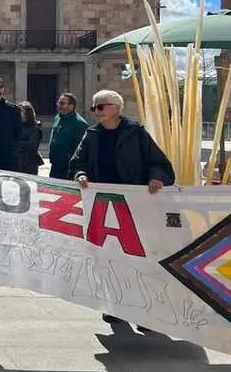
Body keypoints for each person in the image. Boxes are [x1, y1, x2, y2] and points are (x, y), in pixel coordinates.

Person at [70, 89, 175, 328]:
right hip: (104, 205)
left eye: (100, 106)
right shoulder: (91, 134)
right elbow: (77, 162)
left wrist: (156, 177)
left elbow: (159, 163)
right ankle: (117, 306)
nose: (95, 111)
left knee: (139, 258)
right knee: (109, 257)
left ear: (116, 109)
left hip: (135, 205)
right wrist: (80, 174)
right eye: (94, 107)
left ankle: (146, 312)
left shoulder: (136, 133)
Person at [48, 93, 88, 180]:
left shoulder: (80, 123)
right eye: (58, 103)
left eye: (62, 103)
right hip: (55, 164)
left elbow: (82, 148)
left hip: (68, 167)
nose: (59, 105)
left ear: (71, 106)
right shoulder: (58, 118)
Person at [17, 101, 43, 175]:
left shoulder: (35, 128)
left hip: (29, 163)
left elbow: (32, 145)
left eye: (21, 111)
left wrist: (16, 143)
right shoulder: (17, 125)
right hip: (17, 162)